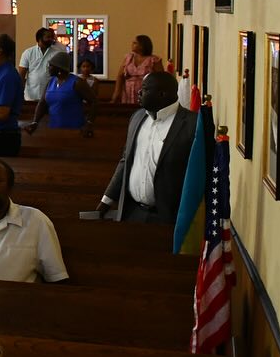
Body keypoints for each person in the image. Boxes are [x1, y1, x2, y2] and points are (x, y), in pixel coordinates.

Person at [97, 71, 196, 223]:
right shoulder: (137, 117)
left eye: (145, 89)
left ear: (162, 94)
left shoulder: (192, 124)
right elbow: (126, 161)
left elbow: (198, 174)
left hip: (168, 218)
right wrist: (106, 200)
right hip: (132, 213)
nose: (139, 92)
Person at [24, 51, 96, 137]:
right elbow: (42, 103)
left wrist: (89, 123)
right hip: (53, 129)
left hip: (74, 130)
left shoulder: (77, 82)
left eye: (51, 65)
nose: (48, 68)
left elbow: (94, 102)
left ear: (59, 67)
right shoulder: (51, 82)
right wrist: (35, 122)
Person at [111, 35, 163, 105]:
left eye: (135, 43)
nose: (132, 44)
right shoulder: (129, 58)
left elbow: (161, 78)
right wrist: (117, 92)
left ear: (142, 46)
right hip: (128, 92)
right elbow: (120, 76)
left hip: (146, 91)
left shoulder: (153, 60)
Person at [18, 27, 58, 102]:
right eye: (48, 37)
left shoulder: (56, 53)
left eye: (51, 37)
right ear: (40, 38)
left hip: (49, 96)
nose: (51, 39)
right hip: (31, 96)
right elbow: (21, 75)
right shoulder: (28, 52)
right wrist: (20, 94)